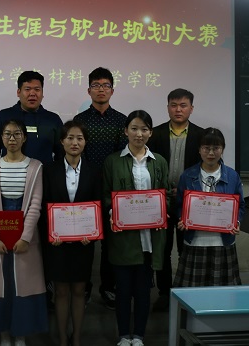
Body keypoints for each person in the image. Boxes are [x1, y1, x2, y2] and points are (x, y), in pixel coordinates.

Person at [0, 119, 48, 346]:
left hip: (26, 235)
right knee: (1, 285)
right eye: (7, 134)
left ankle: (20, 334)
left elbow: (35, 204)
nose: (12, 139)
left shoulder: (36, 166)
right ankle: (4, 335)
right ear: (1, 138)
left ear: (24, 137)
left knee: (21, 285)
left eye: (17, 134)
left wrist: (26, 237)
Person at [102, 110, 170, 346]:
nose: (139, 134)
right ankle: (123, 335)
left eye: (144, 129)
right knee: (122, 291)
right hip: (123, 237)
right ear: (126, 131)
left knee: (143, 291)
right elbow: (106, 195)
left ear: (150, 133)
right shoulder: (112, 161)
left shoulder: (159, 161)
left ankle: (139, 335)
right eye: (134, 128)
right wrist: (113, 212)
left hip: (149, 238)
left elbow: (166, 193)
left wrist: (163, 209)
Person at [41, 120, 101, 346]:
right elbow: (44, 205)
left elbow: (97, 205)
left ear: (85, 142)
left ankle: (76, 338)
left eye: (80, 138)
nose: (75, 142)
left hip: (84, 243)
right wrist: (51, 233)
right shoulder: (49, 170)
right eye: (70, 138)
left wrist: (92, 233)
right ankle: (62, 339)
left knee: (79, 290)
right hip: (57, 243)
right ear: (62, 142)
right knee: (61, 291)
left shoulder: (94, 171)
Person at [73, 66, 127, 309]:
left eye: (105, 86)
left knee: (110, 243)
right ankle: (83, 288)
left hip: (113, 190)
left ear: (112, 90)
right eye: (96, 85)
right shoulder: (80, 121)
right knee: (83, 242)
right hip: (84, 188)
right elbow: (75, 154)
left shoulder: (122, 121)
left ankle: (108, 288)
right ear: (89, 90)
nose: (101, 90)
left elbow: (123, 156)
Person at [148, 88, 204, 311]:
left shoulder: (201, 135)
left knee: (185, 247)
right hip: (161, 200)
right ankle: (164, 292)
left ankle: (183, 290)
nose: (178, 109)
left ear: (191, 108)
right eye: (173, 105)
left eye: (183, 105)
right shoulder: (156, 134)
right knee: (162, 248)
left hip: (188, 202)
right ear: (167, 107)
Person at [174, 127, 245, 288]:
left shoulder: (232, 176)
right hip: (195, 241)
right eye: (206, 148)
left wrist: (237, 222)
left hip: (223, 242)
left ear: (222, 149)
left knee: (222, 293)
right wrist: (182, 218)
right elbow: (179, 205)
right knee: (193, 292)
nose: (211, 153)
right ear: (199, 149)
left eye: (216, 148)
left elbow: (240, 205)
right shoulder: (187, 175)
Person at [0, 71, 63, 165]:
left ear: (42, 93)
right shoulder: (4, 116)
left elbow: (61, 152)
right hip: (10, 172)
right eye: (27, 89)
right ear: (18, 92)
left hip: (44, 173)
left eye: (37, 89)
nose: (32, 93)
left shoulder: (53, 119)